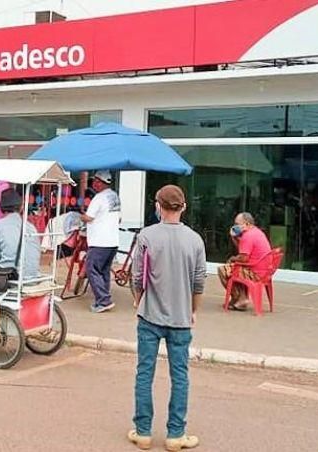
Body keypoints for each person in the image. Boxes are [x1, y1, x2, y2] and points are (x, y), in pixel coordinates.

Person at [128, 185, 205, 452]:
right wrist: (193, 309)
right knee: (180, 376)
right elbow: (198, 282)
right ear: (183, 207)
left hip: (149, 315)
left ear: (158, 206)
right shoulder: (195, 240)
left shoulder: (146, 236)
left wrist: (138, 300)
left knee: (144, 373)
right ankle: (175, 435)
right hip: (181, 318)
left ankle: (143, 432)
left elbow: (137, 276)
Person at [81, 170, 121, 313]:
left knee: (92, 269)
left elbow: (89, 217)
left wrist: (81, 217)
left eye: (95, 181)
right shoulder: (114, 196)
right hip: (113, 241)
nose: (93, 184)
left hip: (99, 241)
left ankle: (103, 300)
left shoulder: (99, 198)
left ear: (99, 182)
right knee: (103, 271)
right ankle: (104, 298)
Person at [217, 212, 272, 311]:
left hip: (255, 273)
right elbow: (243, 250)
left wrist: (233, 258)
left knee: (223, 270)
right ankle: (241, 297)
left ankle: (237, 298)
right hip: (264, 271)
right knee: (235, 268)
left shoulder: (248, 236)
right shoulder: (256, 232)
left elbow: (243, 258)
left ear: (246, 224)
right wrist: (234, 237)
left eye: (237, 224)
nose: (235, 226)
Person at [0, 188, 41, 280]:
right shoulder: (31, 227)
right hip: (33, 276)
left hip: (12, 276)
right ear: (21, 207)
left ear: (1, 208)